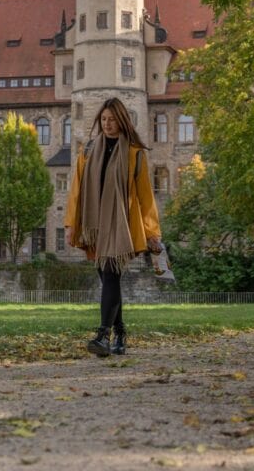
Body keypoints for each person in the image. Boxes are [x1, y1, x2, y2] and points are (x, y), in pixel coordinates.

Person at [65, 97, 162, 357]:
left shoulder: (134, 154)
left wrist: (152, 232)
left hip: (120, 226)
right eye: (104, 120)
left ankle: (102, 335)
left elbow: (145, 197)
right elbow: (76, 190)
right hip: (93, 224)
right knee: (108, 278)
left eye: (112, 119)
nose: (107, 124)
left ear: (122, 121)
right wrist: (71, 224)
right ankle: (119, 332)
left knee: (110, 274)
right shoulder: (87, 150)